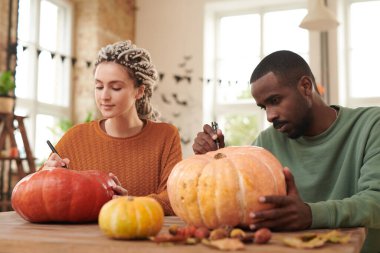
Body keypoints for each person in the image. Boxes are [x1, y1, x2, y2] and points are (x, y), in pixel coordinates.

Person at [192, 50, 380, 252]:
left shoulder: (371, 125)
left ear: (305, 87)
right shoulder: (266, 141)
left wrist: (310, 215)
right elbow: (241, 202)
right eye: (264, 107)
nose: (270, 116)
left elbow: (375, 201)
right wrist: (217, 162)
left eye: (275, 100)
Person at [43, 40, 182, 215]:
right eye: (99, 86)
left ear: (139, 91)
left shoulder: (166, 136)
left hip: (144, 236)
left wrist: (130, 203)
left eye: (115, 88)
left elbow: (173, 198)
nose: (104, 96)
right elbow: (39, 195)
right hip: (83, 239)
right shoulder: (76, 137)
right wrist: (47, 175)